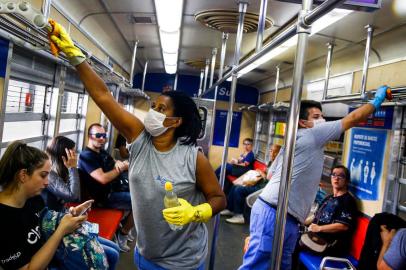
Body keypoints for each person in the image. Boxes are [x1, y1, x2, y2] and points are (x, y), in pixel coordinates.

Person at [49, 21, 226, 270]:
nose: (152, 112)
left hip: (184, 260)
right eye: (153, 106)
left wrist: (196, 213)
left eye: (161, 109)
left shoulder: (193, 158)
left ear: (175, 121)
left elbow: (218, 198)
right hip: (145, 255)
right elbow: (102, 96)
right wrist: (74, 54)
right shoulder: (140, 140)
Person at [240, 88, 391, 270]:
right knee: (257, 266)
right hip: (276, 214)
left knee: (281, 266)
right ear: (303, 122)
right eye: (317, 116)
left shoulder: (292, 141)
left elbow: (272, 174)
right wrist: (377, 101)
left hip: (283, 216)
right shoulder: (312, 134)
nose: (322, 120)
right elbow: (353, 119)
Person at [0, 141, 116, 269]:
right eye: (43, 175)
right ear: (23, 175)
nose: (47, 182)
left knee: (112, 253)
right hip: (44, 260)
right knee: (109, 256)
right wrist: (61, 231)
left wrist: (71, 214)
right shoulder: (4, 220)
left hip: (51, 246)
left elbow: (46, 220)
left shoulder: (33, 198)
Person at [79, 123, 134, 252]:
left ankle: (125, 224)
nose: (102, 139)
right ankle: (124, 233)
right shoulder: (86, 156)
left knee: (141, 189)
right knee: (141, 202)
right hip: (103, 198)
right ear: (89, 136)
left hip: (114, 188)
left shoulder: (100, 151)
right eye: (98, 135)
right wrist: (122, 169)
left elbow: (112, 160)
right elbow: (103, 178)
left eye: (104, 136)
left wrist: (118, 163)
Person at [221, 144, 281, 224]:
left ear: (276, 153)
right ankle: (230, 209)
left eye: (271, 150)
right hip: (259, 183)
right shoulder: (271, 162)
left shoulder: (279, 165)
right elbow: (267, 173)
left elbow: (271, 179)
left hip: (263, 188)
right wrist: (261, 172)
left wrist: (263, 175)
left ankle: (239, 215)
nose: (270, 152)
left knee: (239, 190)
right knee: (235, 185)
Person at [304, 165, 357, 255]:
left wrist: (319, 228)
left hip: (330, 245)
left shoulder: (348, 201)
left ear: (347, 181)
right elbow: (315, 215)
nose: (336, 178)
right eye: (334, 175)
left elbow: (343, 226)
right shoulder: (329, 198)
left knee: (293, 245)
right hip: (316, 238)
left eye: (341, 176)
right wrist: (302, 221)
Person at [41, 136, 81, 211]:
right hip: (49, 219)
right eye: (72, 154)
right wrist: (72, 168)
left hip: (59, 214)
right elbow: (73, 197)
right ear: (63, 156)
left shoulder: (61, 169)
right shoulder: (48, 173)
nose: (75, 157)